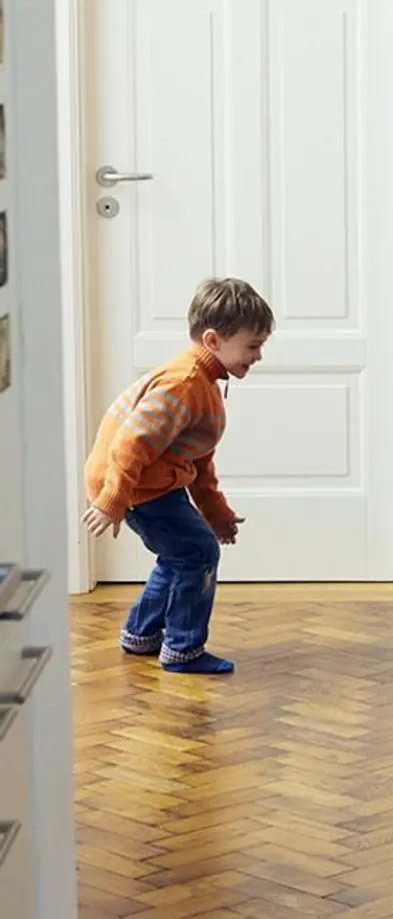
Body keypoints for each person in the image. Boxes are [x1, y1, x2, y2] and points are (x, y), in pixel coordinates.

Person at [81, 278, 275, 674]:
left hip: (149, 481)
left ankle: (141, 633)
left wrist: (215, 512)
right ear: (213, 340)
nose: (258, 356)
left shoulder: (204, 383)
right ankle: (183, 648)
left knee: (181, 554)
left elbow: (199, 461)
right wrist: (113, 500)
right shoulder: (183, 384)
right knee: (198, 553)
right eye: (252, 346)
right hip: (133, 483)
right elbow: (130, 445)